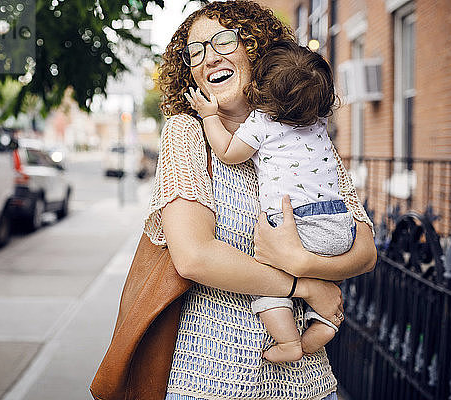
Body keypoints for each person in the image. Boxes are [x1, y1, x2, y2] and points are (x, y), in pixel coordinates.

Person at [146, 1, 377, 399]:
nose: (208, 57)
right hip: (214, 376)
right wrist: (304, 285)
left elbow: (366, 252)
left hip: (307, 382)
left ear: (255, 48)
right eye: (195, 51)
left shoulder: (305, 128)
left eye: (222, 40)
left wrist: (305, 262)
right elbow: (194, 257)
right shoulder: (187, 133)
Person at [185, 43, 353, 363]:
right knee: (323, 278)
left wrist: (208, 116)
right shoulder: (320, 125)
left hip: (297, 223)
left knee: (267, 280)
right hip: (339, 225)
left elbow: (228, 153)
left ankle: (289, 340)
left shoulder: (262, 121)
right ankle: (328, 319)